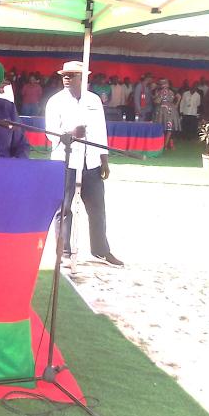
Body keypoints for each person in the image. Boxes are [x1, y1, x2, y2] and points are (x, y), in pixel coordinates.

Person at [45, 60, 124, 268]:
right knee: (64, 208)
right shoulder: (55, 101)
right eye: (65, 74)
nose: (67, 78)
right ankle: (64, 251)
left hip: (92, 162)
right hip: (66, 161)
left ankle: (100, 250)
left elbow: (100, 130)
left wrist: (104, 158)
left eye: (72, 75)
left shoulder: (94, 100)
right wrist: (71, 134)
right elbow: (50, 133)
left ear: (83, 78)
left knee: (97, 208)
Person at [153, 78, 181, 149]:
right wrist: (176, 105)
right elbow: (179, 96)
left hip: (163, 110)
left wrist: (156, 98)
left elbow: (157, 101)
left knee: (162, 127)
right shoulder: (171, 91)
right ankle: (166, 145)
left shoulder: (161, 91)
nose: (164, 85)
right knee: (169, 128)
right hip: (170, 110)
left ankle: (164, 145)